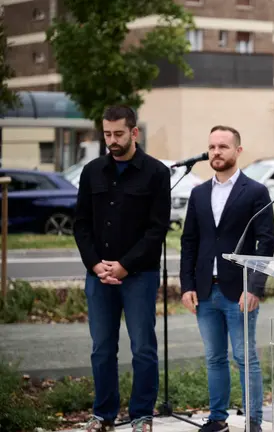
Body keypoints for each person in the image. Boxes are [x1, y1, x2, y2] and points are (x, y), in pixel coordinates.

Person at [74, 105, 171, 432]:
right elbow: (81, 225)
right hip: (98, 275)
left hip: (139, 276)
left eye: (118, 134)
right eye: (107, 134)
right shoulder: (91, 172)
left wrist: (125, 266)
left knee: (143, 347)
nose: (112, 141)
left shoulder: (157, 173)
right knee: (102, 348)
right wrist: (95, 264)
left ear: (134, 132)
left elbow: (157, 230)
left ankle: (142, 415)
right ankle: (103, 414)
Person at [179, 126, 274, 432]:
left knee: (246, 358)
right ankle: (217, 418)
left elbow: (266, 243)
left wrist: (255, 287)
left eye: (223, 146)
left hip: (240, 292)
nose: (216, 152)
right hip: (206, 291)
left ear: (238, 151)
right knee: (214, 358)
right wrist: (187, 286)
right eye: (212, 147)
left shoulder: (256, 192)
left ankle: (253, 422)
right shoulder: (198, 193)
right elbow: (189, 243)